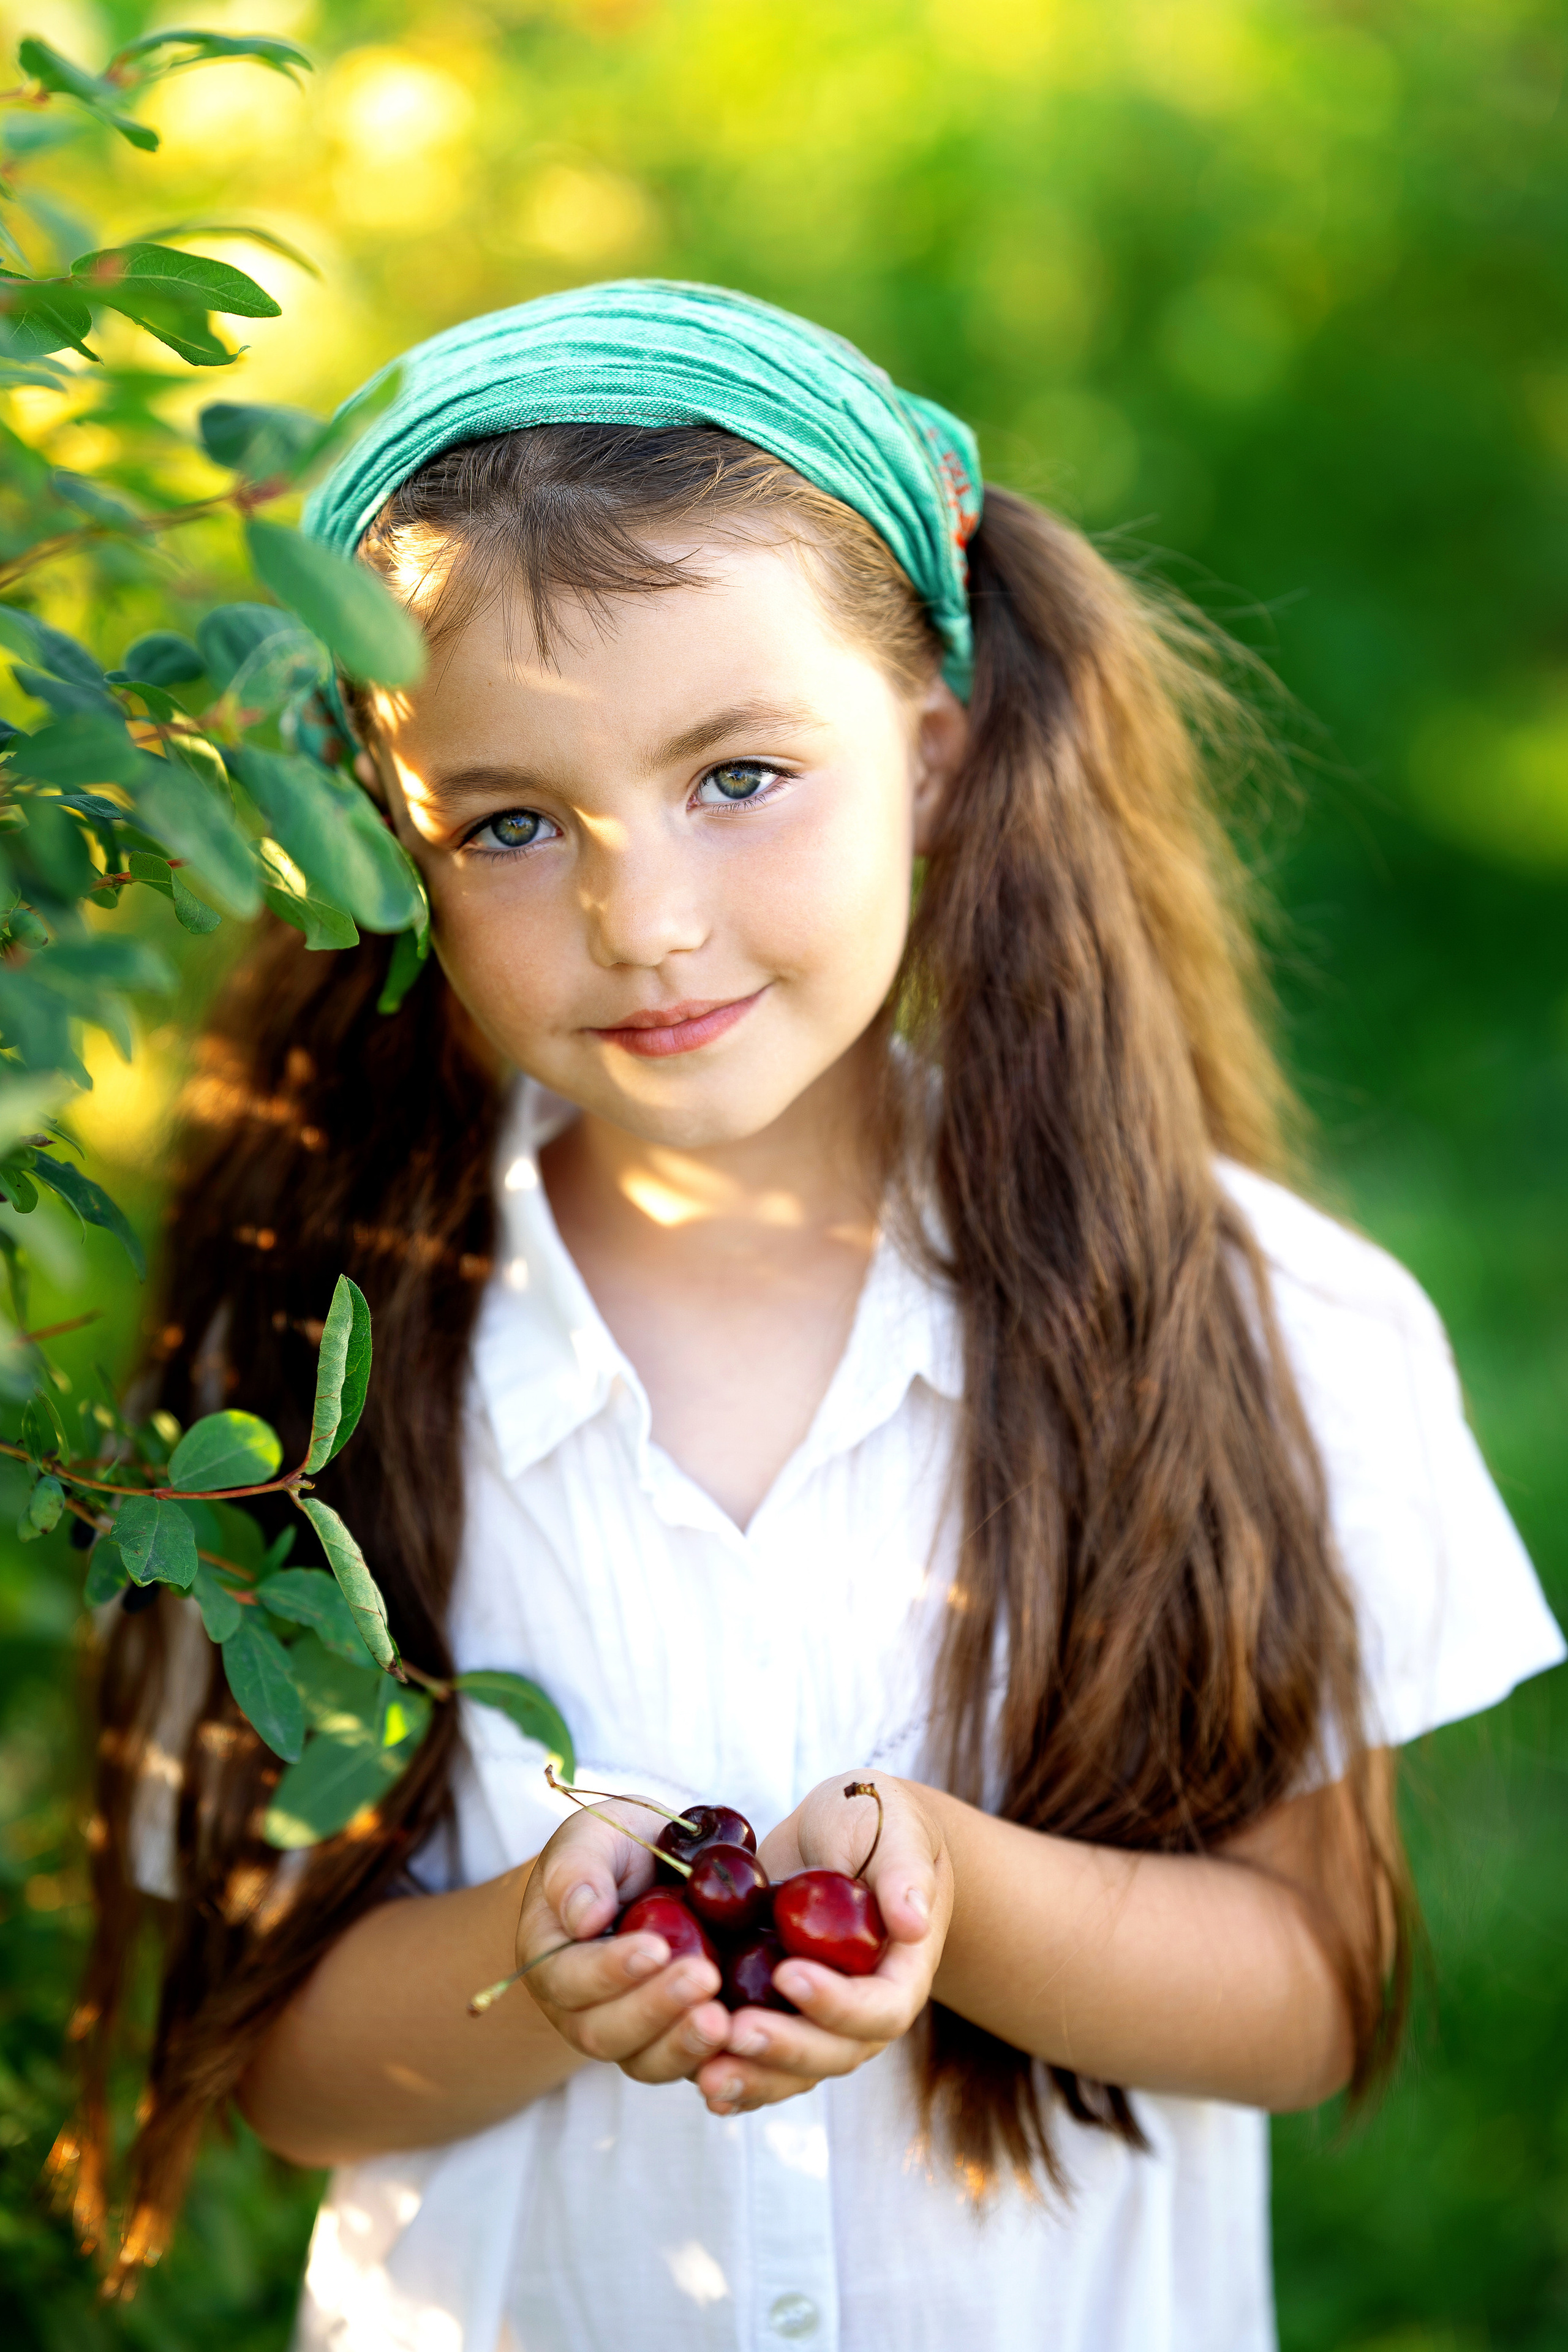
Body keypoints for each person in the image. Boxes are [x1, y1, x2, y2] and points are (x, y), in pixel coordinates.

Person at [75, 284, 1562, 2351]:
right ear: (382, 853)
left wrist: (961, 1898)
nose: (644, 916)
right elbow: (286, 2065)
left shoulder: (1268, 1327)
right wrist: (537, 1962)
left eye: (740, 775)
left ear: (935, 755)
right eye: (509, 822)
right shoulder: (303, 1378)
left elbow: (1312, 1996)